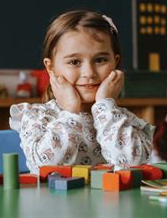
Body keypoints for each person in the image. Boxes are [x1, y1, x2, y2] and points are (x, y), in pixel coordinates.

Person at [9, 10, 155, 173]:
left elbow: (132, 166)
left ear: (116, 62)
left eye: (100, 60)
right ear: (51, 68)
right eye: (74, 62)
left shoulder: (122, 121)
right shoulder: (36, 118)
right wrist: (71, 112)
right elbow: (46, 170)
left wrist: (104, 106)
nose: (89, 73)